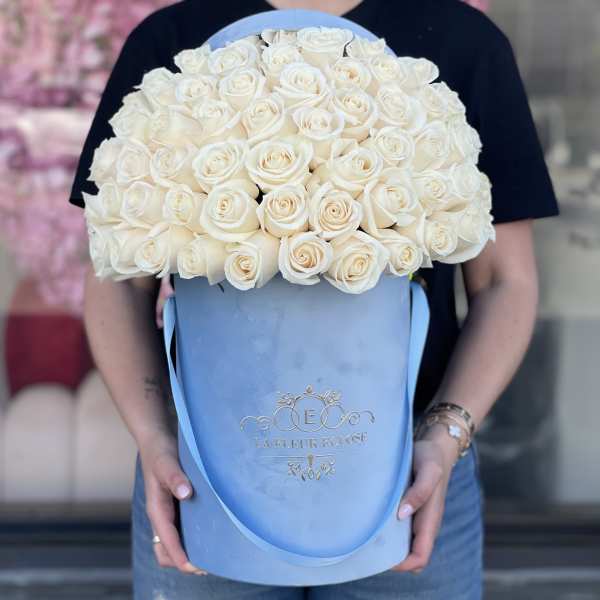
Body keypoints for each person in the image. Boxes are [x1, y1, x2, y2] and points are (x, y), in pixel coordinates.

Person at [69, 0, 560, 598]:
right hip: (204, 473)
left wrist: (446, 434)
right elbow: (118, 279)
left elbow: (506, 282)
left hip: (414, 470)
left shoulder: (464, 41)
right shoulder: (173, 41)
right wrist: (154, 438)